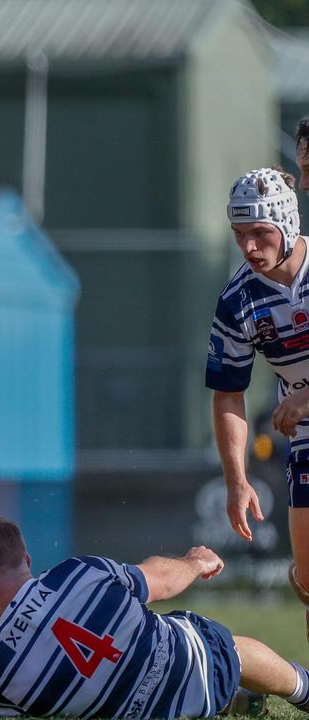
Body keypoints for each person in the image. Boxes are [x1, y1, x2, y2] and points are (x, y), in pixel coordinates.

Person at [0, 515, 309, 719]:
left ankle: (241, 701)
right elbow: (161, 581)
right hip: (192, 675)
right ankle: (302, 690)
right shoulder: (78, 572)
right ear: (26, 560)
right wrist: (195, 562)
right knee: (205, 640)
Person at [208, 166, 309, 643]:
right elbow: (228, 392)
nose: (249, 247)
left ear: (287, 224)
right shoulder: (237, 300)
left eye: (259, 233)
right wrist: (237, 480)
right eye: (238, 234)